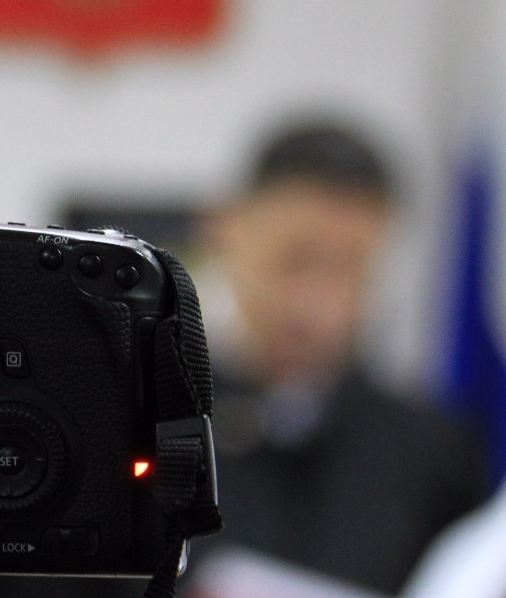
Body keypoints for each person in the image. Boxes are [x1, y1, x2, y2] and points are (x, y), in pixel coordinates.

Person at [187, 117, 487, 595]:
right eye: (295, 260)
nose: (312, 305)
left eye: (349, 268)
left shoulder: (432, 453)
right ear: (226, 232)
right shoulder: (142, 420)